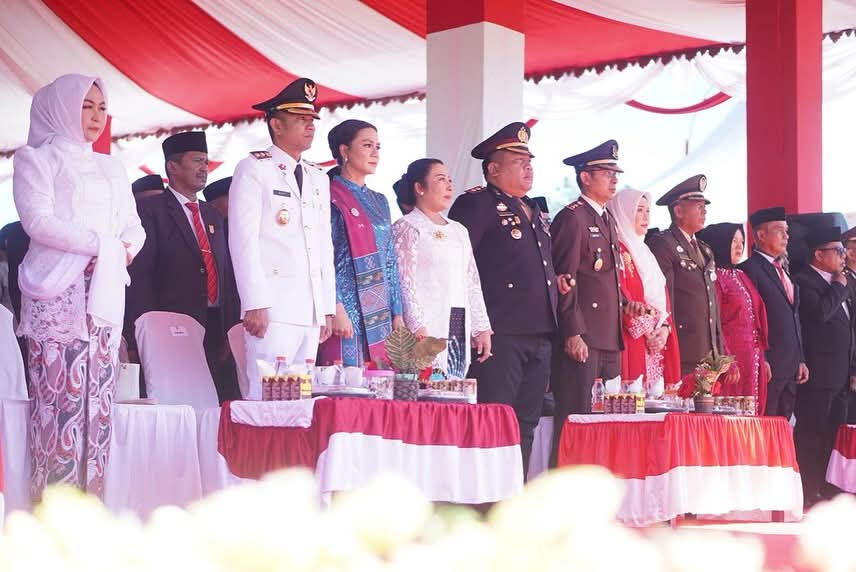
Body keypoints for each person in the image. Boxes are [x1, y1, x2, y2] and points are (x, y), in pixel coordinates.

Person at [12, 74, 145, 500]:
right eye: (86, 106)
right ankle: (53, 514)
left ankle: (91, 515)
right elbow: (38, 221)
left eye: (102, 108)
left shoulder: (111, 165)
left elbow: (133, 224)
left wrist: (124, 247)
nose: (96, 116)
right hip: (58, 294)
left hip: (104, 292)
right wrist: (101, 246)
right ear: (62, 108)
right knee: (61, 408)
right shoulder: (37, 159)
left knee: (99, 409)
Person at [448, 122, 558, 474]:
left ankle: (513, 496)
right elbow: (460, 265)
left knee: (526, 422)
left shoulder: (535, 210)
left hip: (539, 330)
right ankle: (484, 499)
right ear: (493, 168)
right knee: (493, 417)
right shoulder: (476, 204)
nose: (528, 167)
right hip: (499, 332)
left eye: (529, 160)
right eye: (517, 160)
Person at [229, 78, 335, 400]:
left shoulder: (318, 176)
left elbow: (323, 245)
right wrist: (255, 302)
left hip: (309, 309)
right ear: (276, 124)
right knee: (266, 397)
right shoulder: (254, 169)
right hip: (273, 307)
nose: (310, 127)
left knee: (300, 401)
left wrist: (326, 306)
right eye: (301, 120)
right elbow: (243, 241)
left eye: (312, 120)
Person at [125, 131, 241, 402]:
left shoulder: (211, 213)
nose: (204, 168)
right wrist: (138, 335)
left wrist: (230, 327)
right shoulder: (150, 210)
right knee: (177, 402)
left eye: (206, 162)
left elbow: (226, 272)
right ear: (173, 167)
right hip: (170, 327)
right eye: (197, 161)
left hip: (213, 324)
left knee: (216, 401)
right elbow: (141, 278)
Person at [550, 140, 626, 450]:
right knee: (575, 422)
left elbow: (605, 279)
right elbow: (564, 279)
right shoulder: (573, 217)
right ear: (585, 177)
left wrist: (626, 306)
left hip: (609, 337)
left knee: (607, 423)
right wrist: (573, 331)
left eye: (615, 173)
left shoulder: (606, 218)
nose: (614, 179)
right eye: (606, 172)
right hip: (584, 338)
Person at [392, 158, 492, 378]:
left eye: (449, 180)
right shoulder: (407, 226)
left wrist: (481, 326)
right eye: (440, 179)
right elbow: (403, 283)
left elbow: (471, 281)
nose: (448, 185)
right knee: (427, 386)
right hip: (426, 324)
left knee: (454, 386)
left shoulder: (459, 230)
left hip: (457, 320)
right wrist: (417, 328)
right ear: (419, 187)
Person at [318, 119, 404, 367]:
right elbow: (324, 257)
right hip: (346, 309)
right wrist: (335, 307)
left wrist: (397, 313)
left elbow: (390, 259)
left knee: (379, 384)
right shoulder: (328, 195)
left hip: (381, 313)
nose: (375, 153)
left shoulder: (381, 201)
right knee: (346, 383)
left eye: (378, 146)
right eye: (367, 145)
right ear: (344, 151)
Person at [794, 226, 855, 506]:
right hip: (817, 374)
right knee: (812, 433)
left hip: (841, 375)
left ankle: (825, 484)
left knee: (833, 433)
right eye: (837, 251)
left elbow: (849, 330)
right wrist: (839, 287)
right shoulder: (805, 281)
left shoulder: (840, 282)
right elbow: (820, 314)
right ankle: (807, 488)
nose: (843, 257)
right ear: (819, 254)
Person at [647, 175, 728, 378]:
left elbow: (712, 305)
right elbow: (664, 298)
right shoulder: (663, 244)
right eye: (697, 206)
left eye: (704, 206)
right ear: (678, 210)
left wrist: (720, 350)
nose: (704, 211)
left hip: (709, 352)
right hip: (683, 349)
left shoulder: (704, 249)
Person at [607, 188, 681, 392]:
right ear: (623, 212)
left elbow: (662, 299)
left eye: (648, 211)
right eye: (639, 210)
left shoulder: (645, 251)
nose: (645, 216)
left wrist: (664, 329)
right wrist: (649, 331)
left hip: (656, 342)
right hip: (633, 340)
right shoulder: (617, 250)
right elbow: (620, 295)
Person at [738, 207, 808, 418]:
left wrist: (801, 358)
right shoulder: (750, 269)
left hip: (790, 364)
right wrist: (762, 357)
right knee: (766, 424)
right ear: (760, 235)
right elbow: (750, 320)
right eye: (780, 230)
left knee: (783, 427)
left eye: (787, 231)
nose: (786, 236)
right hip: (769, 364)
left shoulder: (784, 270)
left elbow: (794, 317)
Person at [697, 222, 770, 414]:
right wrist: (726, 361)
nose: (740, 246)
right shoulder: (714, 278)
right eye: (734, 241)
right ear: (720, 243)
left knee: (752, 413)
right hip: (731, 357)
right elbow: (714, 323)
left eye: (742, 241)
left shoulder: (741, 275)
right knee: (731, 412)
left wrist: (764, 359)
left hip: (752, 356)